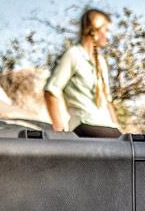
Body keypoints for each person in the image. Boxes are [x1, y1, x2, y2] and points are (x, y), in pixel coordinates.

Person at [43, 8, 123, 138]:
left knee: (133, 147)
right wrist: (59, 130)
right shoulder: (73, 55)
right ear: (94, 29)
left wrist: (117, 127)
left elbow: (107, 101)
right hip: (84, 124)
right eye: (106, 30)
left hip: (106, 125)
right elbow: (51, 91)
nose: (108, 36)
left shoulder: (101, 62)